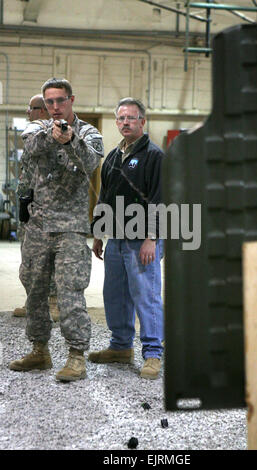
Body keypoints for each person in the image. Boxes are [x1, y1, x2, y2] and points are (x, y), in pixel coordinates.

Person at [9, 78, 104, 382]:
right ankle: (40, 350)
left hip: (70, 228)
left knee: (70, 294)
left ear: (71, 99)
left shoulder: (89, 132)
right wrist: (53, 137)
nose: (54, 107)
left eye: (60, 100)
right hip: (37, 228)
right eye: (49, 102)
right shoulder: (38, 128)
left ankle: (76, 356)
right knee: (35, 293)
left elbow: (90, 162)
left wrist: (70, 139)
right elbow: (32, 146)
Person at [88, 97, 164, 380]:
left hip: (142, 240)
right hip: (117, 239)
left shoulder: (154, 156)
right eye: (120, 118)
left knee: (146, 295)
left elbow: (160, 200)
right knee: (115, 295)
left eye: (131, 118)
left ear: (142, 122)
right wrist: (98, 233)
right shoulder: (112, 157)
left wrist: (151, 238)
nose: (125, 123)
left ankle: (153, 353)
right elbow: (104, 197)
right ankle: (120, 346)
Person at [13, 94, 60, 322]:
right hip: (27, 205)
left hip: (44, 208)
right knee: (28, 260)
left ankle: (53, 304)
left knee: (45, 260)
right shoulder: (34, 134)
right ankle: (33, 301)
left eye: (30, 108)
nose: (27, 112)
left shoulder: (48, 134)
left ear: (42, 111)